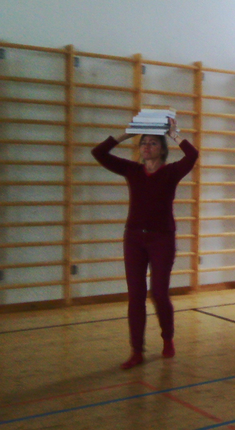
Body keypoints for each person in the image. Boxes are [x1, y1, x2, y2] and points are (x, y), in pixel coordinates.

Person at [91, 118, 198, 369]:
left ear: (162, 149)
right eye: (143, 143)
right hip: (134, 239)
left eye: (152, 143)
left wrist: (174, 134)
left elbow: (192, 155)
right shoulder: (132, 170)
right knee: (136, 296)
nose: (147, 146)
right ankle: (136, 350)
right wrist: (126, 134)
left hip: (162, 239)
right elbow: (99, 153)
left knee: (159, 293)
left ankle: (167, 338)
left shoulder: (171, 172)